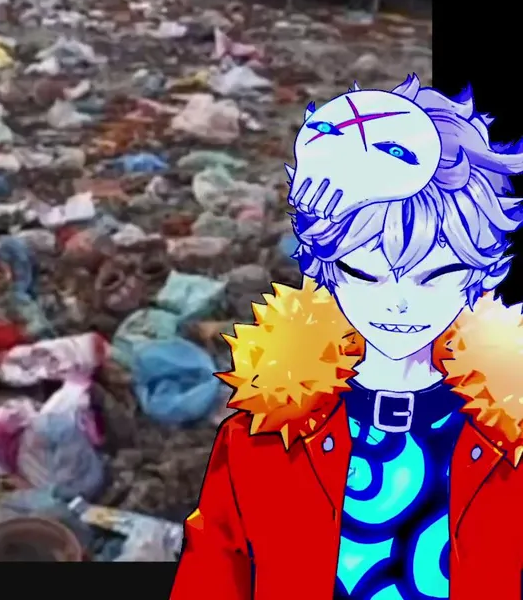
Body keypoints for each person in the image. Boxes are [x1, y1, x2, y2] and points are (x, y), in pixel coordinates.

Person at [171, 75, 522, 600]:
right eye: (366, 274)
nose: (399, 304)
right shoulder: (260, 440)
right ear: (323, 271)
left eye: (436, 276)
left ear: (482, 273)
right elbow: (211, 576)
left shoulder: (508, 442)